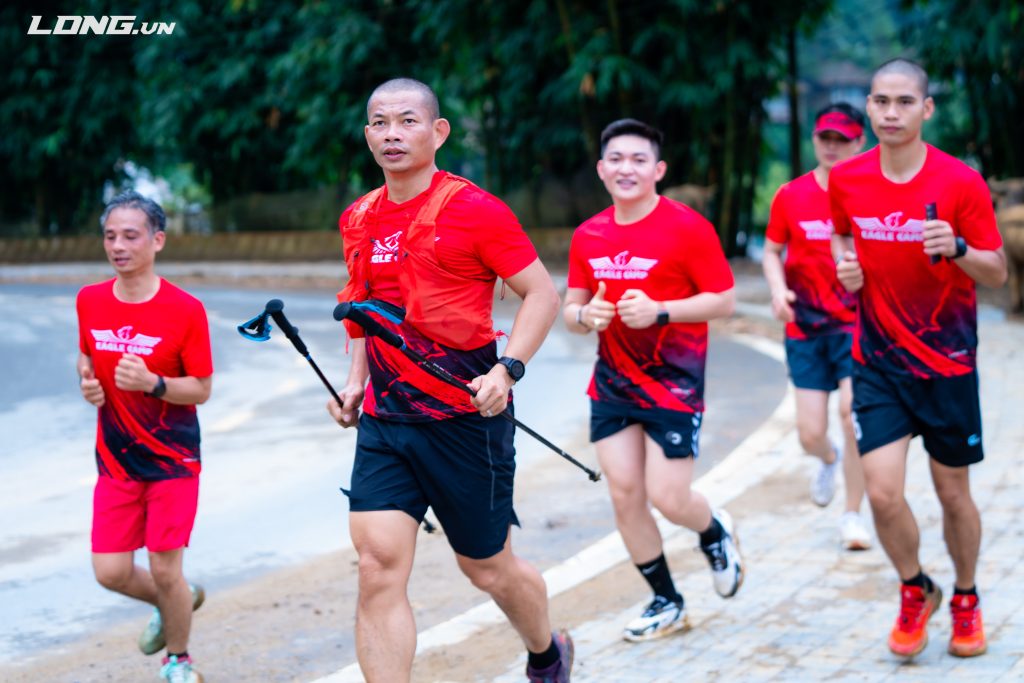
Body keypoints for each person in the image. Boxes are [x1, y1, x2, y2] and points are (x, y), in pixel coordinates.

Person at [327, 78, 570, 683]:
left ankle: (546, 653)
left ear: (437, 133)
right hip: (387, 422)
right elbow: (361, 308)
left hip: (466, 420)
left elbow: (541, 293)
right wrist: (355, 380)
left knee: (488, 569)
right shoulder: (357, 217)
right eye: (380, 123)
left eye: (407, 121)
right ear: (366, 136)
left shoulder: (474, 209)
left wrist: (507, 369)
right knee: (376, 564)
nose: (392, 134)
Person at [830, 58, 1007, 659]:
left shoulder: (960, 182)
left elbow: (999, 270)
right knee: (881, 493)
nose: (890, 113)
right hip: (876, 360)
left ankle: (965, 596)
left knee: (953, 493)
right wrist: (846, 268)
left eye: (904, 102)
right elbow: (841, 236)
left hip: (948, 362)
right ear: (869, 107)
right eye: (880, 101)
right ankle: (915, 588)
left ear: (926, 109)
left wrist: (958, 248)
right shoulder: (848, 179)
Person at [563, 119, 743, 643]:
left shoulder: (688, 227)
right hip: (613, 383)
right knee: (624, 493)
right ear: (601, 169)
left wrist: (661, 310)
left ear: (658, 170)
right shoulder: (589, 234)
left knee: (668, 495)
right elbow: (572, 310)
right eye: (616, 159)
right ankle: (666, 599)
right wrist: (587, 317)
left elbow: (725, 300)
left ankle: (713, 530)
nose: (626, 168)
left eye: (639, 159)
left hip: (674, 382)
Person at [76, 191, 212, 683]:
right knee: (110, 571)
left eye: (130, 236)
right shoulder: (89, 300)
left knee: (163, 566)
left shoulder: (184, 309)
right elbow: (87, 358)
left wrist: (153, 383)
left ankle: (178, 660)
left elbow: (201, 388)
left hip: (172, 461)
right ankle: (178, 599)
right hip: (115, 460)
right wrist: (88, 383)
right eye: (110, 235)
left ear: (157, 240)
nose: (118, 246)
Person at [762, 103, 872, 550]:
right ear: (814, 140)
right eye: (825, 138)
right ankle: (828, 459)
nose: (832, 146)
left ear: (859, 142)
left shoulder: (871, 192)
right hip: (804, 325)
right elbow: (771, 251)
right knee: (810, 432)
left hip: (856, 323)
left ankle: (852, 516)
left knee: (851, 414)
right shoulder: (791, 194)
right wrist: (776, 290)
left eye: (842, 139)